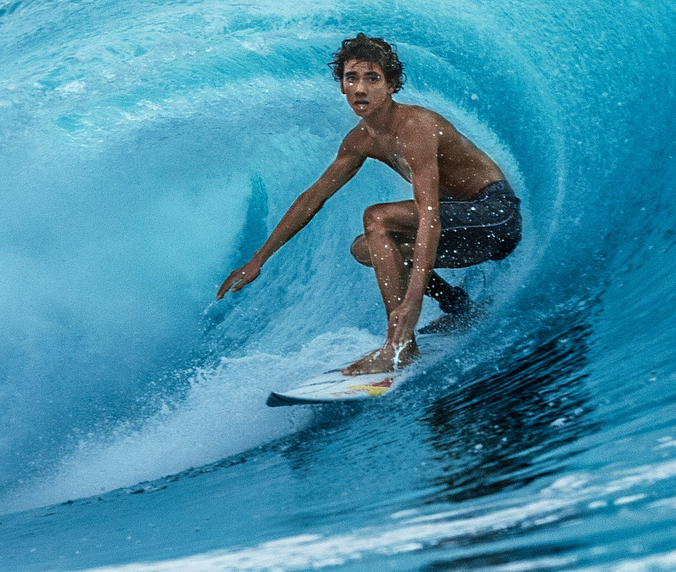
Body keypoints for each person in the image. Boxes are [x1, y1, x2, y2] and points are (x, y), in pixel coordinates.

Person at [216, 34, 521, 375]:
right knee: (366, 248)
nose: (360, 88)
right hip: (465, 229)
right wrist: (258, 259)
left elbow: (429, 217)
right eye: (351, 78)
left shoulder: (416, 127)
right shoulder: (360, 140)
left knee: (377, 217)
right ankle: (456, 305)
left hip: (496, 217)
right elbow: (313, 197)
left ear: (391, 85)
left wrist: (411, 304)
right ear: (342, 86)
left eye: (372, 78)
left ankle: (400, 346)